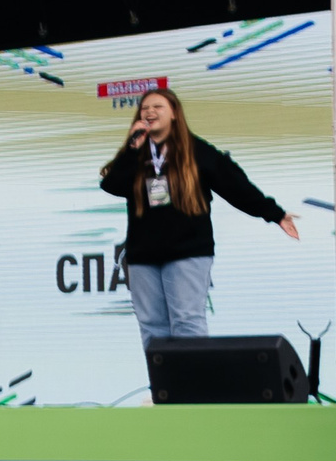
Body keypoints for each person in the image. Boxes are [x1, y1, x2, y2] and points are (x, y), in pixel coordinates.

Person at [100, 87, 299, 346]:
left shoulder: (197, 150)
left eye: (157, 106)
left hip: (188, 251)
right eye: (145, 108)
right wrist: (131, 148)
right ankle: (164, 387)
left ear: (174, 114)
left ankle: (193, 386)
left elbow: (235, 186)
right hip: (143, 255)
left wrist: (275, 213)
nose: (149, 111)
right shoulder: (137, 153)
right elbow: (112, 185)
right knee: (151, 326)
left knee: (186, 321)